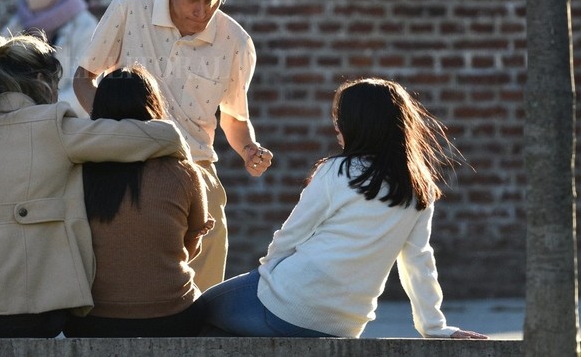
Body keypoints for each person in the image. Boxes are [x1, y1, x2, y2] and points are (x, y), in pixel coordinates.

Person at [0, 33, 190, 338]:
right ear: (42, 79)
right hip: (27, 311)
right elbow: (163, 136)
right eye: (56, 82)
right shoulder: (53, 126)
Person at [197, 78, 489, 340]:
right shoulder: (418, 187)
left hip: (283, 303)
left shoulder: (337, 170)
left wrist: (266, 276)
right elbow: (418, 262)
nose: (336, 125)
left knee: (194, 313)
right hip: (344, 324)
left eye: (341, 117)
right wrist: (435, 327)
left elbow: (291, 234)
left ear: (359, 123)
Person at [73, 0, 273, 291]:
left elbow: (232, 117)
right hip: (123, 166)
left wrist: (248, 149)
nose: (201, 10)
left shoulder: (237, 42)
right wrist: (118, 133)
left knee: (204, 300)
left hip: (197, 170)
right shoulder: (130, 5)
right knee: (115, 290)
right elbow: (84, 79)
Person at [63, 65, 215, 338]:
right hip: (174, 316)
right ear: (153, 106)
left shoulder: (77, 171)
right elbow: (189, 251)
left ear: (100, 109)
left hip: (93, 319)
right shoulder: (185, 172)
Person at [3, 0, 97, 117]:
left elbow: (84, 89)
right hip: (16, 119)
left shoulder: (85, 26)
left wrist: (39, 113)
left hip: (64, 123)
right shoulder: (19, 21)